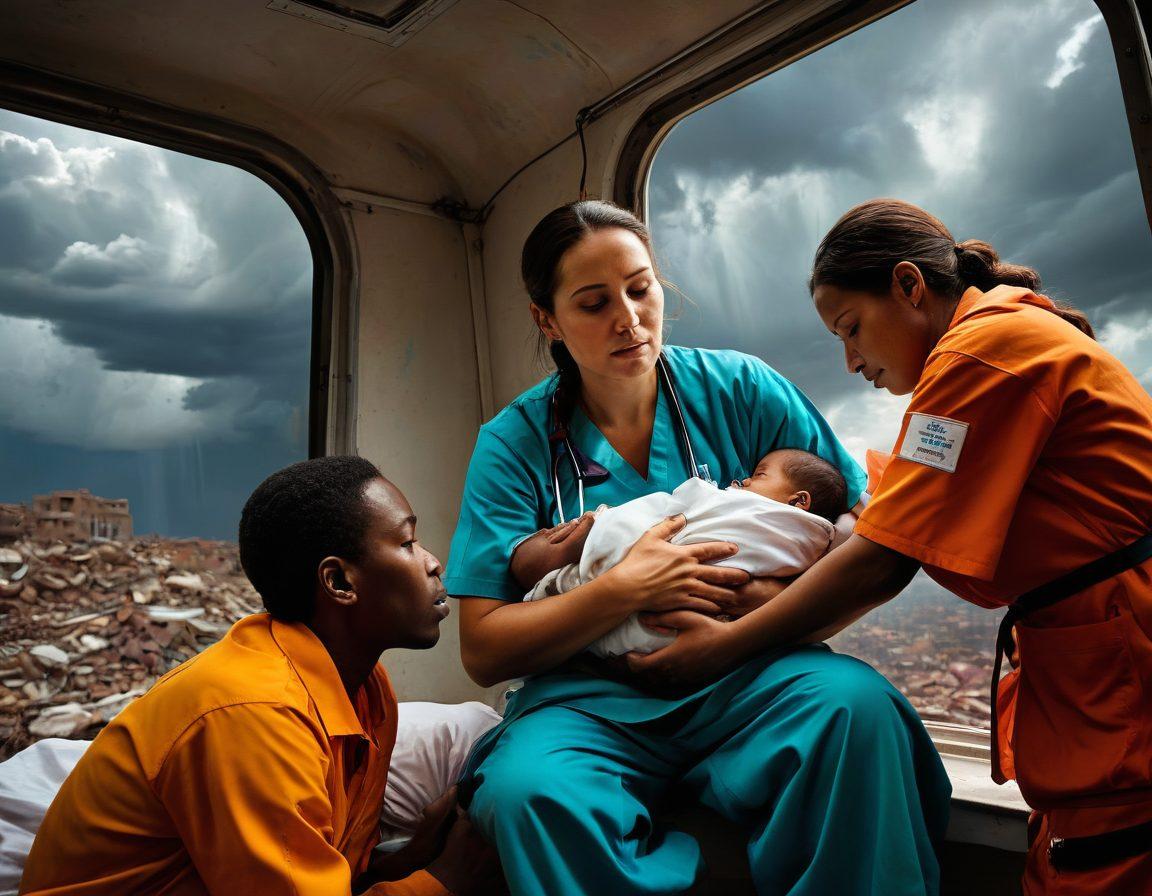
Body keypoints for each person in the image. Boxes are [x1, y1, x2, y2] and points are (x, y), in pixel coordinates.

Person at [630, 198, 1152, 895]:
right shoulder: (995, 343)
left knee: (1108, 860)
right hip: (1100, 660)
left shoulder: (980, 354)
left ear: (909, 286)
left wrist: (719, 649)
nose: (850, 362)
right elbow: (891, 517)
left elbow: (882, 557)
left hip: (1127, 665)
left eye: (851, 329)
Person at [444, 199, 951, 896]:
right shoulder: (513, 444)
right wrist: (624, 590)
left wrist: (751, 611)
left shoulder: (743, 389)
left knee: (857, 710)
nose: (628, 318)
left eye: (640, 288)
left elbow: (871, 543)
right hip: (590, 701)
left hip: (751, 673)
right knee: (526, 791)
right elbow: (484, 649)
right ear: (547, 320)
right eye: (593, 303)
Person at [19, 456, 502, 896]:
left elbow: (327, 870)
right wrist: (445, 882)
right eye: (407, 542)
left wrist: (413, 859)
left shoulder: (367, 690)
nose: (433, 562)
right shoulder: (255, 712)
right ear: (339, 582)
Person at [513, 448, 846, 657]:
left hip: (700, 627)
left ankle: (570, 568)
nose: (744, 481)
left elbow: (681, 502)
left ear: (798, 501)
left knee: (634, 529)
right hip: (691, 633)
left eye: (759, 474)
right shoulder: (812, 543)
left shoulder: (742, 503)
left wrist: (603, 524)